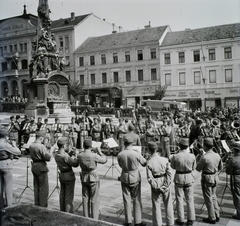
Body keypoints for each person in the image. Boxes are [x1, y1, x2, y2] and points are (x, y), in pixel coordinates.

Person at [117, 135, 147, 226]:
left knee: (126, 199)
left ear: (124, 143)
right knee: (136, 199)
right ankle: (138, 221)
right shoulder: (136, 153)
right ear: (132, 143)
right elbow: (144, 163)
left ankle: (128, 221)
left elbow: (120, 165)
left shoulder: (120, 154)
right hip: (135, 176)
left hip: (125, 175)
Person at [77, 138, 107, 219]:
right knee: (94, 199)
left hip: (84, 177)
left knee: (85, 198)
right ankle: (94, 218)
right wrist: (100, 151)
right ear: (91, 146)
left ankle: (85, 217)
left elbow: (76, 162)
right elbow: (104, 160)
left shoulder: (80, 155)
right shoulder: (94, 155)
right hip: (93, 177)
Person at [146, 141, 174, 226]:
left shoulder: (149, 162)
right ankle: (170, 223)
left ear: (148, 150)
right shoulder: (164, 160)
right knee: (168, 203)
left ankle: (158, 224)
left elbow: (149, 178)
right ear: (157, 149)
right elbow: (170, 174)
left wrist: (157, 187)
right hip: (165, 180)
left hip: (156, 181)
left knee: (156, 205)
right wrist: (166, 184)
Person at [196, 137, 223, 224]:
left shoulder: (205, 157)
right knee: (214, 196)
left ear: (205, 146)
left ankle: (212, 217)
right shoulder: (217, 155)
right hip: (215, 177)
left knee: (208, 198)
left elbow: (198, 168)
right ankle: (217, 214)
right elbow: (221, 168)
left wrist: (200, 157)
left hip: (207, 178)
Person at [170, 138, 196, 226]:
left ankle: (181, 219)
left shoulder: (175, 156)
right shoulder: (192, 156)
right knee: (190, 199)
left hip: (179, 178)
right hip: (189, 177)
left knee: (179, 199)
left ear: (180, 146)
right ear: (187, 146)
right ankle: (190, 219)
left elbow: (172, 166)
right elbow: (194, 167)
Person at [54, 137, 79, 213]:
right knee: (69, 196)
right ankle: (68, 212)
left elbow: (66, 157)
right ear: (64, 146)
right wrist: (76, 155)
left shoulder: (57, 154)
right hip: (69, 175)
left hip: (62, 175)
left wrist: (70, 153)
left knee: (62, 194)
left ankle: (62, 210)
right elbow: (75, 164)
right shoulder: (65, 156)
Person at [29, 130, 52, 207]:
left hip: (34, 166)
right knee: (43, 189)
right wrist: (50, 150)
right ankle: (43, 206)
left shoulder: (31, 145)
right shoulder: (41, 146)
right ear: (41, 138)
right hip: (41, 167)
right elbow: (48, 158)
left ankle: (37, 204)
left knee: (36, 187)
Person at [0, 128, 21, 209]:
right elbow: (18, 152)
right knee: (8, 187)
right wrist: (14, 144)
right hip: (6, 165)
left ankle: (1, 206)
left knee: (0, 188)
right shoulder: (5, 144)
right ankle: (9, 207)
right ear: (5, 136)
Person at [226, 142, 240, 220]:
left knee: (237, 196)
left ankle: (239, 213)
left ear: (234, 150)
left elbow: (228, 172)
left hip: (236, 178)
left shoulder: (233, 159)